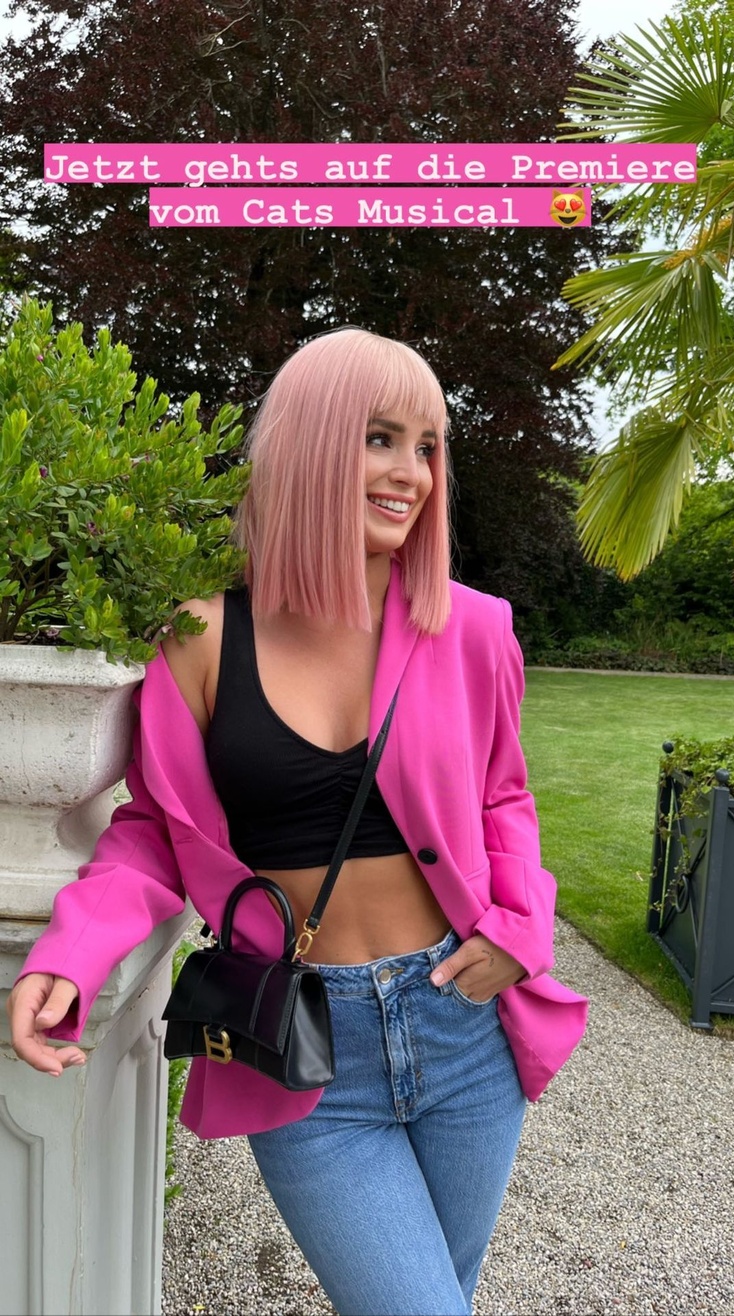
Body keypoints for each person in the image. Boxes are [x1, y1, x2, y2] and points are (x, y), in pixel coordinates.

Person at [7, 328, 588, 1316]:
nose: (411, 473)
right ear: (308, 443)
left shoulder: (472, 626)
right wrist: (72, 951)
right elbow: (156, 826)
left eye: (427, 446)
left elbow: (504, 797)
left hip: (462, 1025)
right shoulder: (198, 634)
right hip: (307, 1050)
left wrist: (519, 927)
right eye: (379, 438)